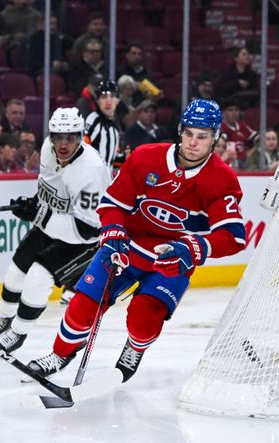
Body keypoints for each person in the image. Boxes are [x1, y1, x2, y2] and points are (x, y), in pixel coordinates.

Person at [27, 99, 245, 382]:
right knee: (82, 306)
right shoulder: (146, 158)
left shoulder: (222, 180)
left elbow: (233, 237)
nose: (193, 142)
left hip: (171, 260)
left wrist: (194, 247)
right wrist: (114, 230)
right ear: (180, 130)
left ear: (215, 138)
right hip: (126, 247)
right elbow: (113, 203)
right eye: (189, 133)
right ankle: (60, 354)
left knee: (144, 319)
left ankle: (134, 347)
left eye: (202, 136)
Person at [0, 108, 111, 355]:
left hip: (84, 238)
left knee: (38, 277)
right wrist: (32, 204)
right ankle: (3, 319)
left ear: (80, 137)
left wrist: (39, 214)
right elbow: (48, 186)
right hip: (52, 222)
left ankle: (17, 331)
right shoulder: (48, 149)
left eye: (69, 137)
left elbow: (86, 229)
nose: (62, 143)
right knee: (16, 272)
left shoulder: (90, 170)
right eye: (58, 136)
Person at [84, 79, 122, 169]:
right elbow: (80, 151)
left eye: (112, 96)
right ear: (97, 100)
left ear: (118, 100)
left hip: (107, 181)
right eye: (104, 97)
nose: (108, 102)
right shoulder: (93, 120)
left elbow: (112, 159)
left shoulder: (115, 128)